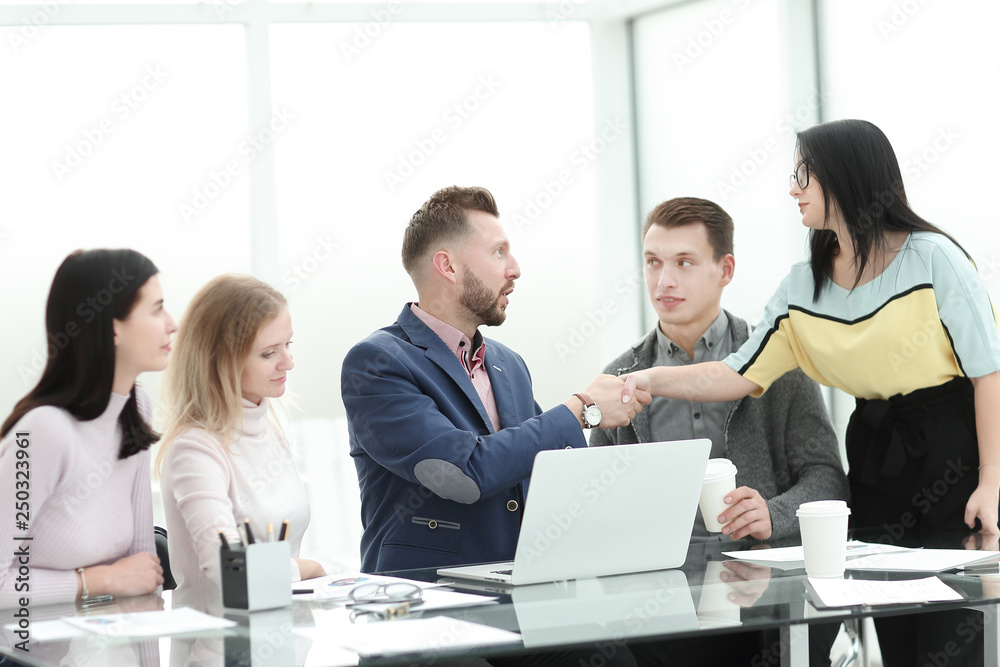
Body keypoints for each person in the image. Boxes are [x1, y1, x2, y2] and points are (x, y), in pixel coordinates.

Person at [624, 119, 1000, 667]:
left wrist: (991, 481)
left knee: (953, 634)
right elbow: (736, 373)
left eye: (804, 174)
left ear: (846, 177)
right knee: (894, 629)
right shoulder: (804, 284)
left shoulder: (933, 257)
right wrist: (645, 379)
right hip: (874, 451)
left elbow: (988, 372)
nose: (792, 188)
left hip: (955, 448)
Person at [591, 197, 847, 666]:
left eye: (684, 262)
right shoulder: (619, 380)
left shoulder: (775, 364)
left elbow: (827, 478)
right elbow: (597, 512)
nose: (664, 281)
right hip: (661, 607)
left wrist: (772, 514)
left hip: (768, 601)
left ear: (725, 269)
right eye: (653, 262)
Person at [341, 185, 648, 574]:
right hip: (426, 598)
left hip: (520, 593)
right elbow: (461, 475)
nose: (515, 268)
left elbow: (543, 470)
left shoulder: (508, 363)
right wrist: (581, 408)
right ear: (448, 266)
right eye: (498, 252)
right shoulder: (376, 363)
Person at [0, 249, 173, 608]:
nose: (172, 324)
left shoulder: (136, 409)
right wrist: (99, 580)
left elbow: (144, 569)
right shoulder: (43, 431)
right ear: (112, 327)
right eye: (157, 309)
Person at [157, 275, 325, 590]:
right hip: (219, 620)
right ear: (221, 361)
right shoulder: (194, 449)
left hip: (283, 614)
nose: (288, 363)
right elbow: (228, 568)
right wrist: (309, 568)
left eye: (287, 345)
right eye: (269, 353)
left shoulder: (271, 429)